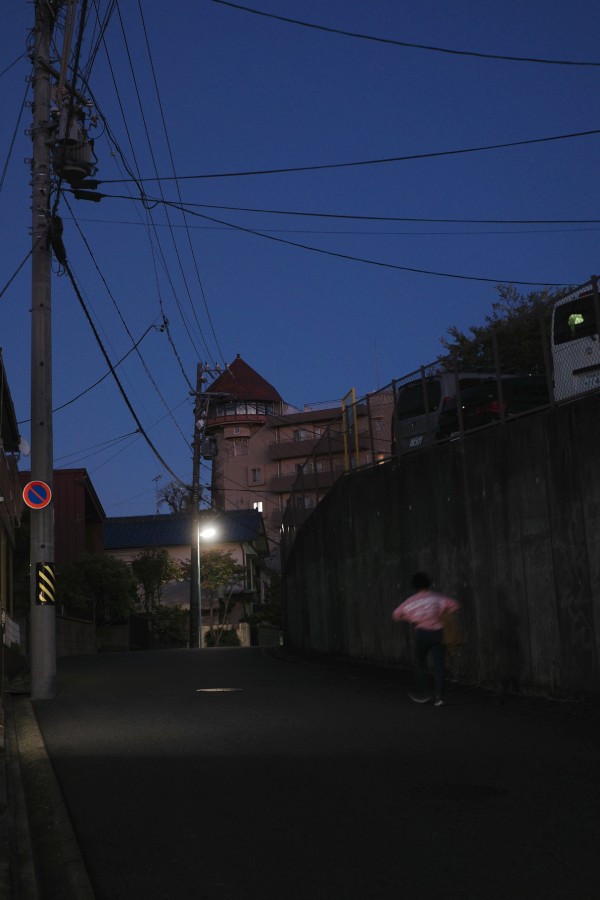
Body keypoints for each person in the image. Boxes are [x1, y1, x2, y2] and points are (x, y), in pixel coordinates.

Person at [392, 572, 460, 707]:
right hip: (438, 633)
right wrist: (442, 615)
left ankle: (424, 691)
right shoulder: (437, 597)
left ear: (415, 586)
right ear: (429, 583)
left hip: (422, 633)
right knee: (439, 665)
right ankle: (439, 697)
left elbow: (396, 614)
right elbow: (455, 606)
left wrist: (412, 619)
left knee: (419, 662)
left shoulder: (411, 601)